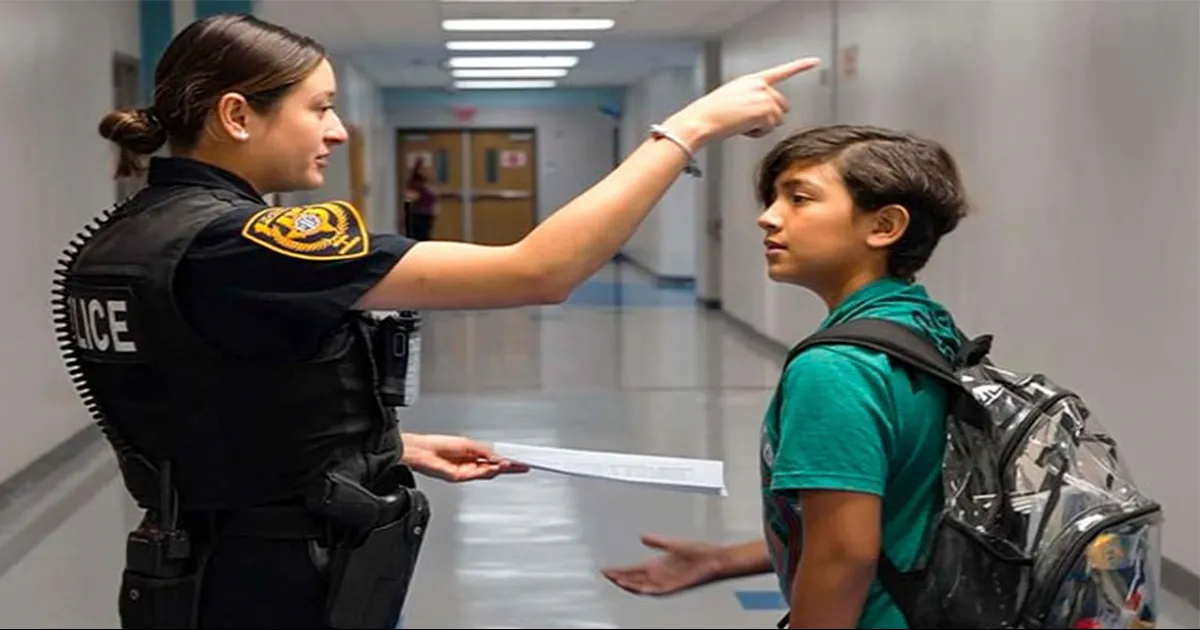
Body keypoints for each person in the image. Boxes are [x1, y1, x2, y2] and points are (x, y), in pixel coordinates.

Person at [52, 12, 819, 630]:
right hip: (281, 581)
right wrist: (686, 130)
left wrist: (385, 445)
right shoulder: (239, 243)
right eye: (318, 107)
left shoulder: (132, 236)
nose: (338, 130)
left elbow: (209, 400)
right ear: (235, 115)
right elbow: (537, 270)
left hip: (201, 566)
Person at [600, 124, 971, 629]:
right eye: (774, 198)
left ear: (883, 226)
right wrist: (724, 559)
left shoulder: (837, 369)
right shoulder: (923, 323)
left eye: (799, 199)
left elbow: (843, 554)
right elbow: (887, 509)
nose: (767, 218)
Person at [402, 158, 438, 240]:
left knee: (426, 235)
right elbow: (410, 198)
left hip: (427, 214)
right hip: (419, 214)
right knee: (420, 236)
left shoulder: (427, 184)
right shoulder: (416, 184)